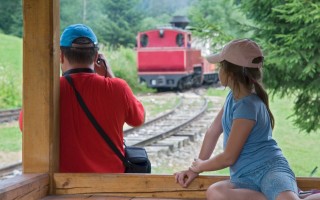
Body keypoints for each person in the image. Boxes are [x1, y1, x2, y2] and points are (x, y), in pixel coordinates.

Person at [174, 39, 320, 200]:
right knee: (215, 193)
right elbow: (213, 131)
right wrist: (194, 170)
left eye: (221, 66)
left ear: (231, 73)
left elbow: (229, 157)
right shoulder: (233, 97)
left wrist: (201, 165)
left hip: (270, 170)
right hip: (244, 177)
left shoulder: (248, 106)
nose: (218, 70)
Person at [19, 24, 145, 173]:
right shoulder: (118, 87)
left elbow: (25, 127)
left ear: (61, 56)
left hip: (64, 187)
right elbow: (138, 119)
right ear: (96, 56)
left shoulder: (46, 91)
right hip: (113, 186)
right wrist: (111, 77)